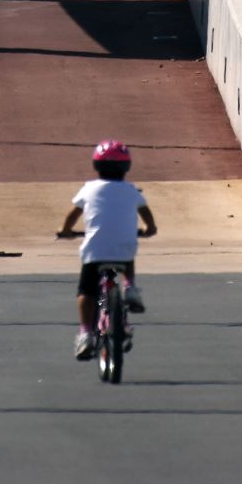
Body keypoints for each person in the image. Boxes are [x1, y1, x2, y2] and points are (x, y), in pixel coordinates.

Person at [56, 139, 157, 360]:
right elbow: (147, 215)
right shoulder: (131, 190)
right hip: (124, 248)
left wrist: (65, 231)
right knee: (126, 253)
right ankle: (130, 288)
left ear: (96, 166)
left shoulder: (89, 189)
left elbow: (72, 215)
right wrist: (149, 229)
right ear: (126, 167)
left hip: (95, 251)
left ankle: (85, 335)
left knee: (86, 291)